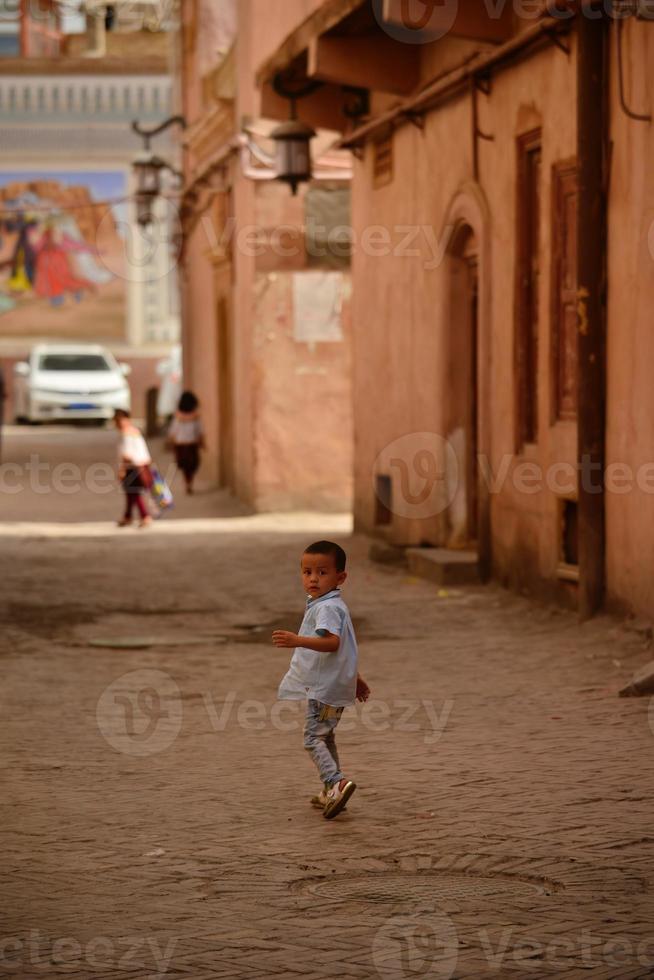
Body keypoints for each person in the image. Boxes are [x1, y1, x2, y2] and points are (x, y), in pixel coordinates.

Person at [272, 540, 370, 820]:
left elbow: (332, 644)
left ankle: (336, 782)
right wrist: (356, 679)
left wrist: (297, 640)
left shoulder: (326, 609)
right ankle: (330, 789)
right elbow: (345, 650)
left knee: (312, 738)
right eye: (307, 572)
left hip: (324, 689)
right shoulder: (330, 604)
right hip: (333, 684)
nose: (313, 578)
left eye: (322, 572)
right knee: (325, 737)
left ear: (341, 577)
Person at [114, 409, 153, 528]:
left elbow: (127, 455)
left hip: (133, 467)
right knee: (130, 493)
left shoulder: (126, 433)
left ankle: (145, 515)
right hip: (141, 464)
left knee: (134, 493)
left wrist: (122, 470)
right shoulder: (135, 431)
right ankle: (127, 516)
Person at [167, 390, 205, 495]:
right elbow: (200, 431)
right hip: (188, 444)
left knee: (189, 465)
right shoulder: (192, 417)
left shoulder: (179, 417)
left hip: (183, 444)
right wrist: (202, 442)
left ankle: (188, 482)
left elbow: (173, 431)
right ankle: (189, 482)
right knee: (190, 465)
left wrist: (171, 442)